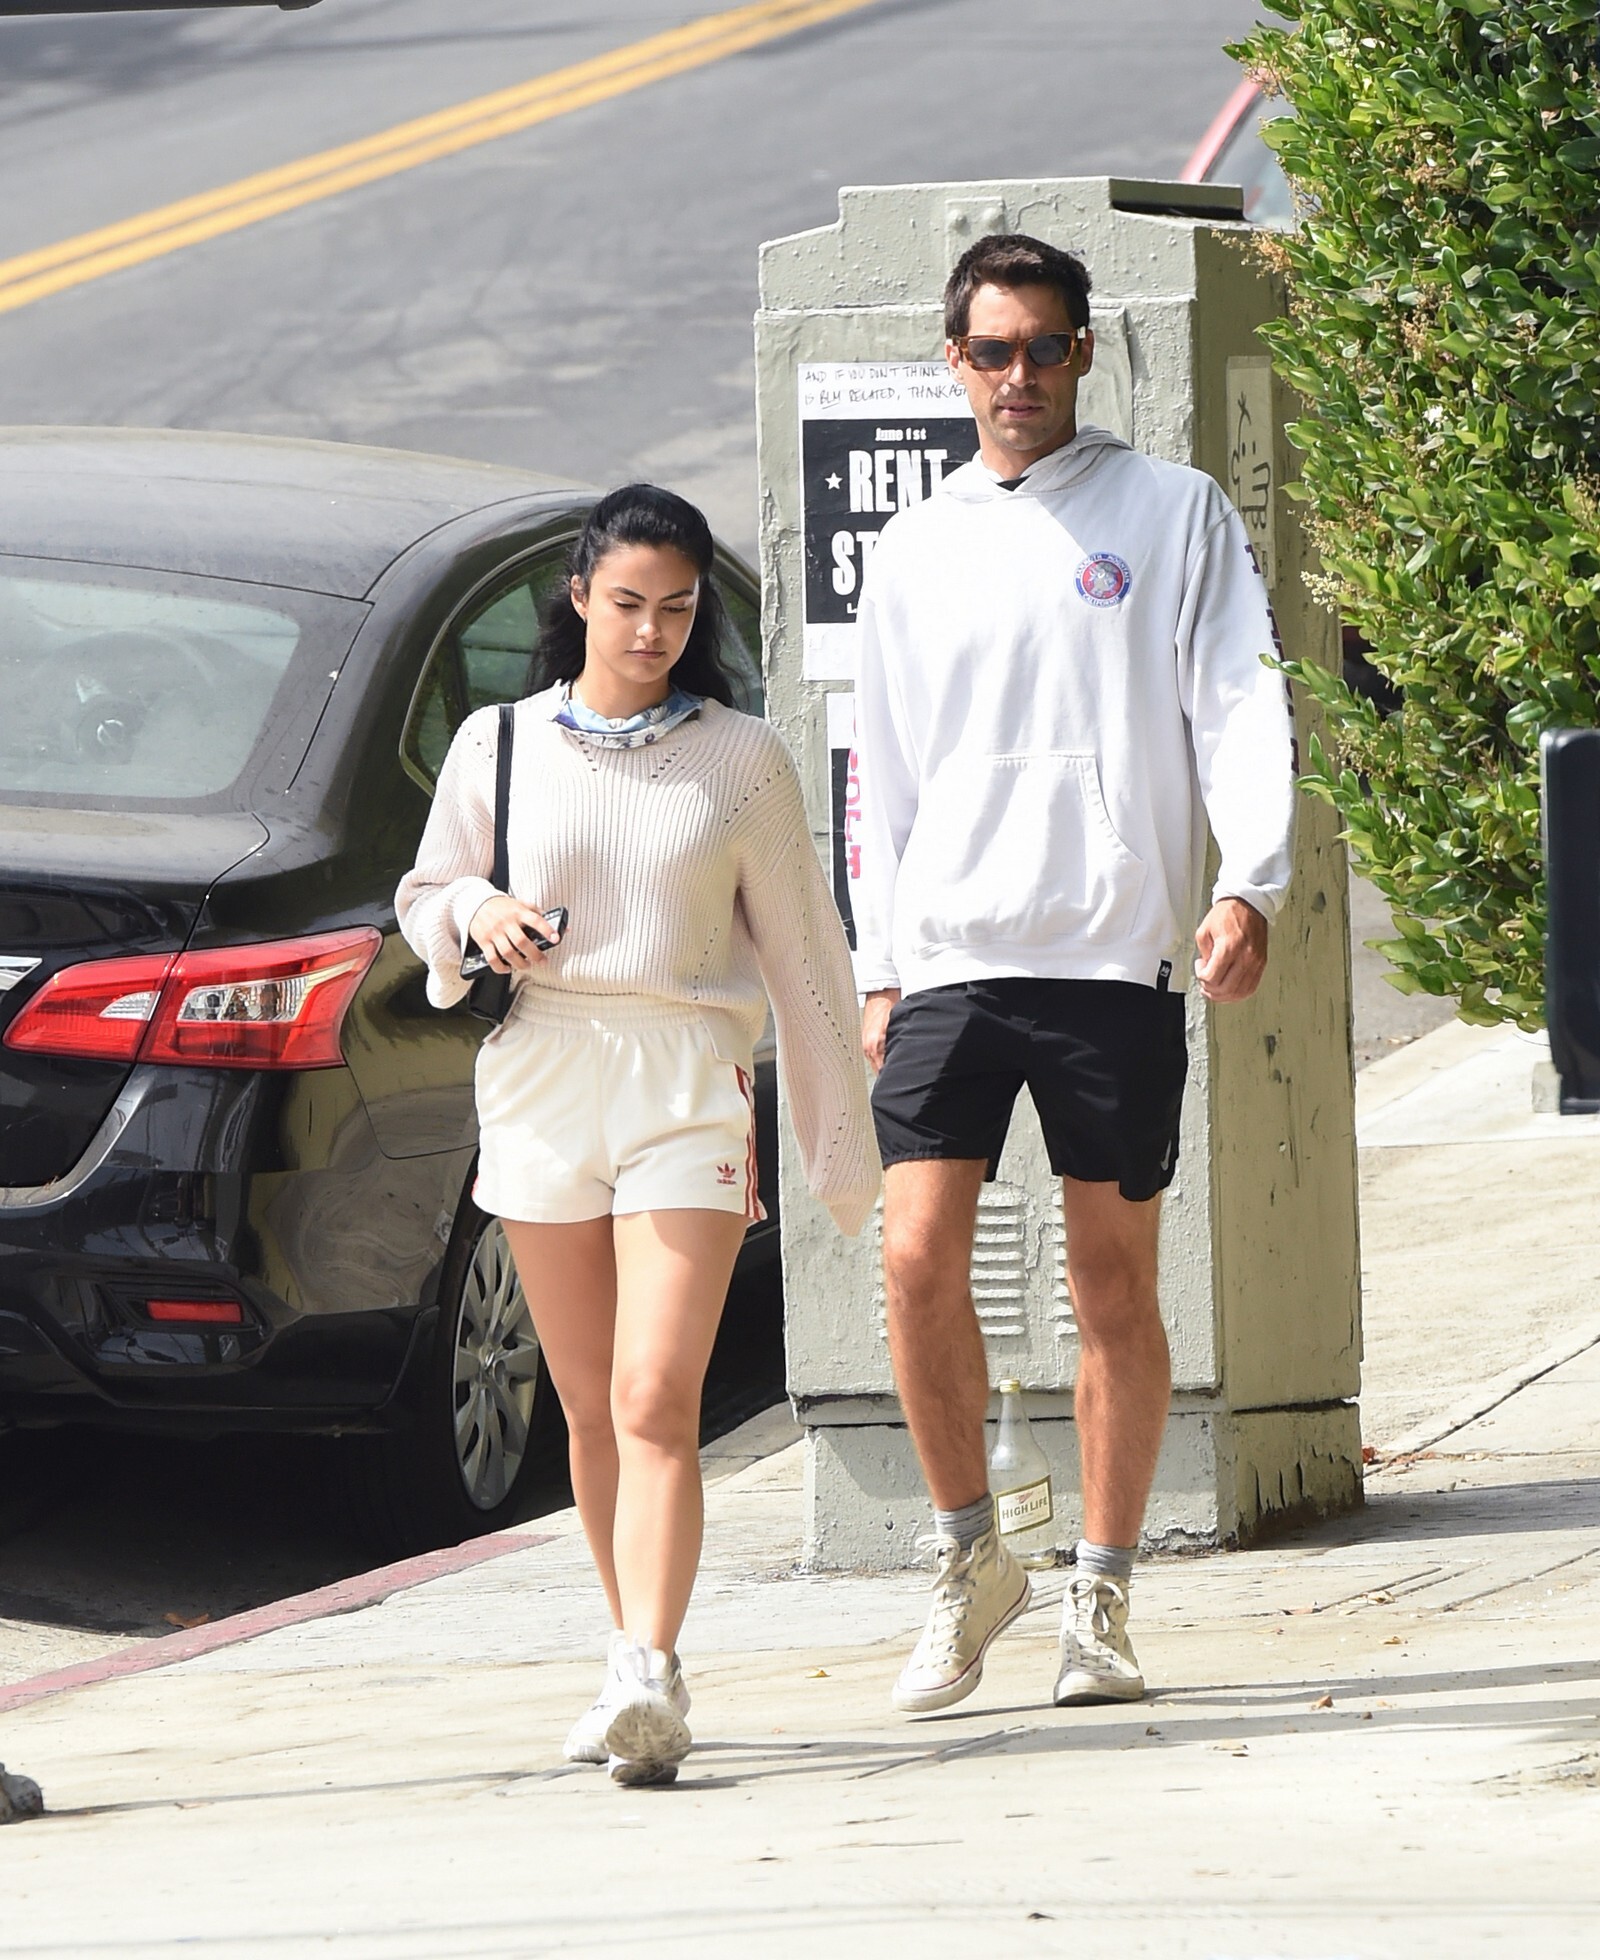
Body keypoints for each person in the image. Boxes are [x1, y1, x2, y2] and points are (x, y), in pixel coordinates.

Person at [852, 233, 1295, 1715]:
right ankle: (969, 1557)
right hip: (952, 955)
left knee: (1111, 1283)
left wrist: (1247, 879)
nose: (1020, 375)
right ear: (955, 362)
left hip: (1112, 951)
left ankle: (1100, 1594)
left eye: (1046, 346)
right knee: (915, 1258)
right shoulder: (916, 545)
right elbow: (879, 770)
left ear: (1087, 352)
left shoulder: (1171, 510)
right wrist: (878, 961)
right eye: (993, 351)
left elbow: (1239, 698)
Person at [398, 484, 878, 1786]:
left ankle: (654, 1672)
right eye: (627, 604)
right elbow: (423, 892)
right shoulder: (498, 742)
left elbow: (806, 953)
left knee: (657, 1394)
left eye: (676, 607)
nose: (652, 630)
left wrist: (837, 1133)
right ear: (579, 598)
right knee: (589, 1406)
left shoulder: (741, 758)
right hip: (541, 1080)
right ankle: (626, 1659)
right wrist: (476, 914)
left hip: (686, 1084)